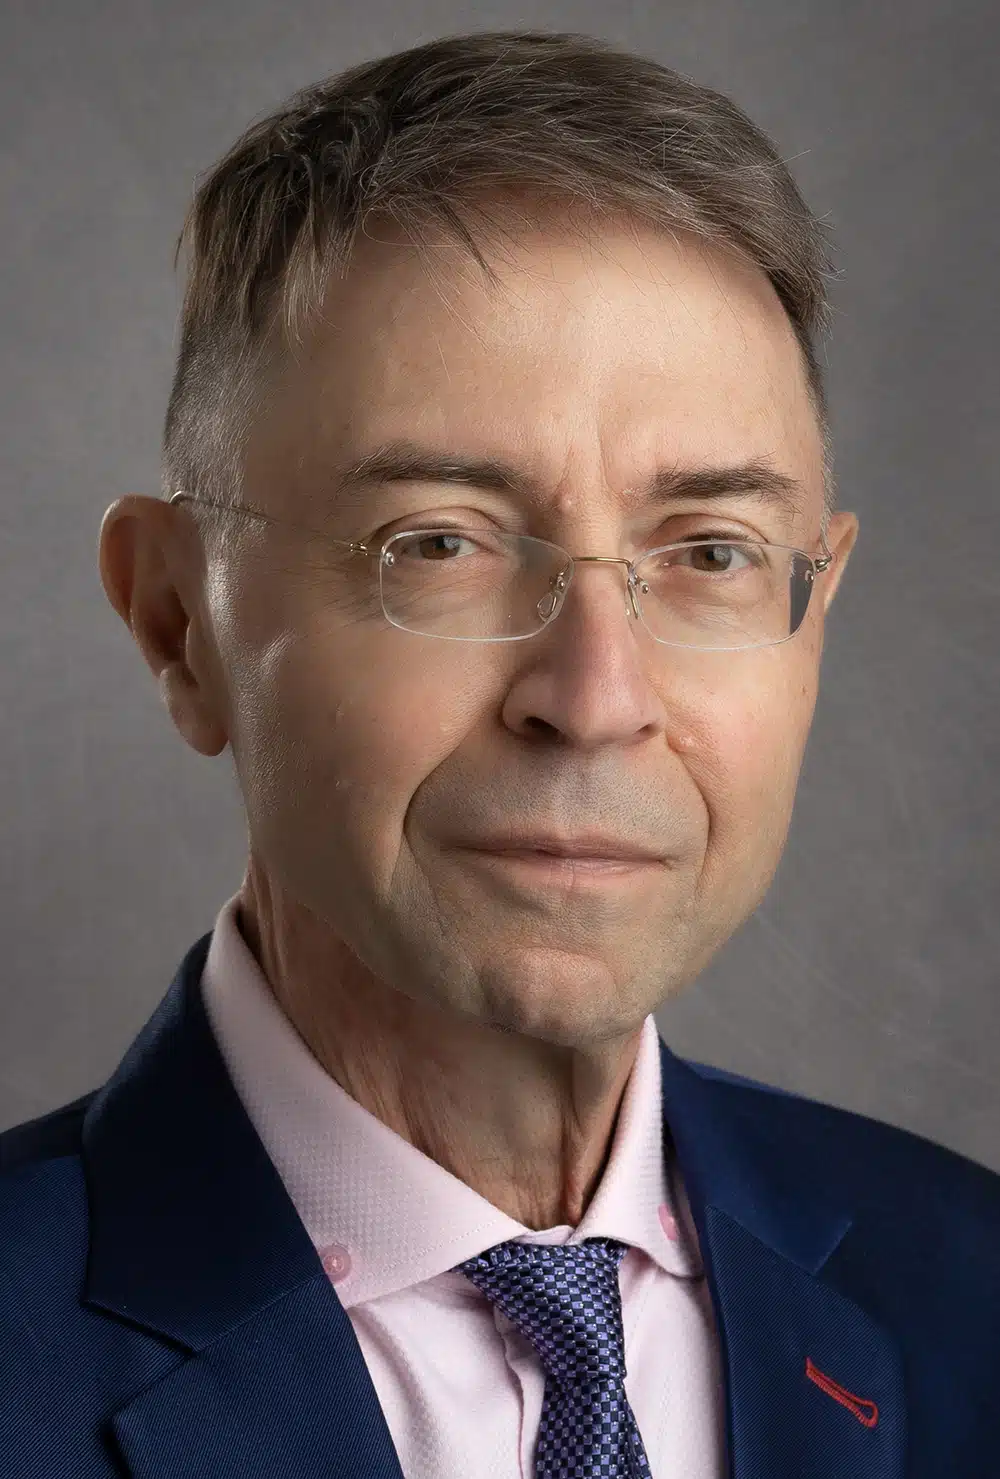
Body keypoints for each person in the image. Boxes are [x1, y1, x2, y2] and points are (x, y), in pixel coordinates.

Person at [2, 28, 997, 1479]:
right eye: (441, 544)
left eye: (710, 551)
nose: (595, 698)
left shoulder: (967, 1286)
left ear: (813, 605)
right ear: (178, 620)